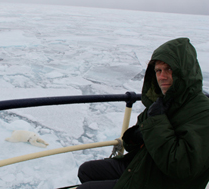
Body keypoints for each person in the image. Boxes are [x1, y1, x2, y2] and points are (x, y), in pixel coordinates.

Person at [77, 37, 209, 189]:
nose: (162, 76)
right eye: (158, 70)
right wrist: (135, 136)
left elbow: (182, 166)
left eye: (169, 69)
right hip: (144, 165)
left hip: (161, 181)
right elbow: (130, 145)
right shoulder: (163, 102)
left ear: (184, 72)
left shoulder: (203, 112)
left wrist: (156, 122)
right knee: (87, 171)